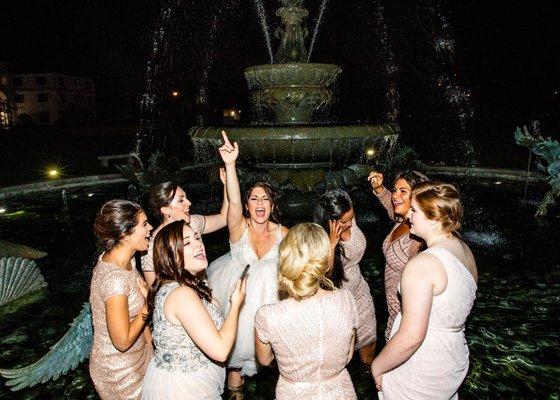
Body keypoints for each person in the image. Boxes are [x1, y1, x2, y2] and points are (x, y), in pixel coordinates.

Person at [371, 182, 478, 400]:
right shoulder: (464, 250)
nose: (408, 215)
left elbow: (412, 336)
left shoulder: (422, 265)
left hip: (421, 365)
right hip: (452, 356)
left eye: (415, 210)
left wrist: (377, 367)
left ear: (434, 218)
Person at [207, 131, 289, 399]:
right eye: (254, 198)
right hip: (238, 307)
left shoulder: (284, 234)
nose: (260, 203)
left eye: (265, 198)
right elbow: (231, 201)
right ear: (247, 205)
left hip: (272, 305)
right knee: (235, 365)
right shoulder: (238, 228)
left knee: (280, 363)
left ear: (273, 204)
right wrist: (231, 165)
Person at [141, 221, 246, 399]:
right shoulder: (182, 294)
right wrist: (235, 304)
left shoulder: (185, 285)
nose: (198, 243)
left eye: (197, 238)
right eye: (187, 242)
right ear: (172, 255)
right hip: (185, 389)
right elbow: (220, 351)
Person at [254, 223, 358, 400]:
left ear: (286, 260)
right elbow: (347, 356)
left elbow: (264, 360)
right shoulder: (346, 300)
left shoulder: (268, 316)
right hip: (341, 391)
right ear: (324, 261)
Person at [89, 199, 154, 399]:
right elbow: (122, 341)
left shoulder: (127, 260)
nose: (150, 228)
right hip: (119, 372)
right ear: (125, 234)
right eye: (144, 224)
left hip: (140, 357)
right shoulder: (114, 279)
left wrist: (151, 348)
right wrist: (148, 306)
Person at [313, 188, 377, 364]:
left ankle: (367, 381)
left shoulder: (348, 216)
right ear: (330, 221)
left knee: (369, 341)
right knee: (340, 353)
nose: (349, 223)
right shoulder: (320, 240)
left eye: (351, 218)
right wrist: (332, 246)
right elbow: (325, 277)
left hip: (360, 293)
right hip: (338, 301)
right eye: (344, 221)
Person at [368, 170, 430, 340]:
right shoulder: (402, 220)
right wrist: (380, 188)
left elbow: (419, 293)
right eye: (395, 190)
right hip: (393, 315)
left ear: (419, 196)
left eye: (403, 191)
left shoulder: (417, 237)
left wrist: (405, 328)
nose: (395, 195)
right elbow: (391, 204)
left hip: (405, 322)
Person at [142, 171, 228, 287]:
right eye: (181, 200)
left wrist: (227, 186)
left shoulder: (193, 223)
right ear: (166, 210)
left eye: (186, 198)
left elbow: (225, 217)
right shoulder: (151, 246)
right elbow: (153, 290)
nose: (189, 203)